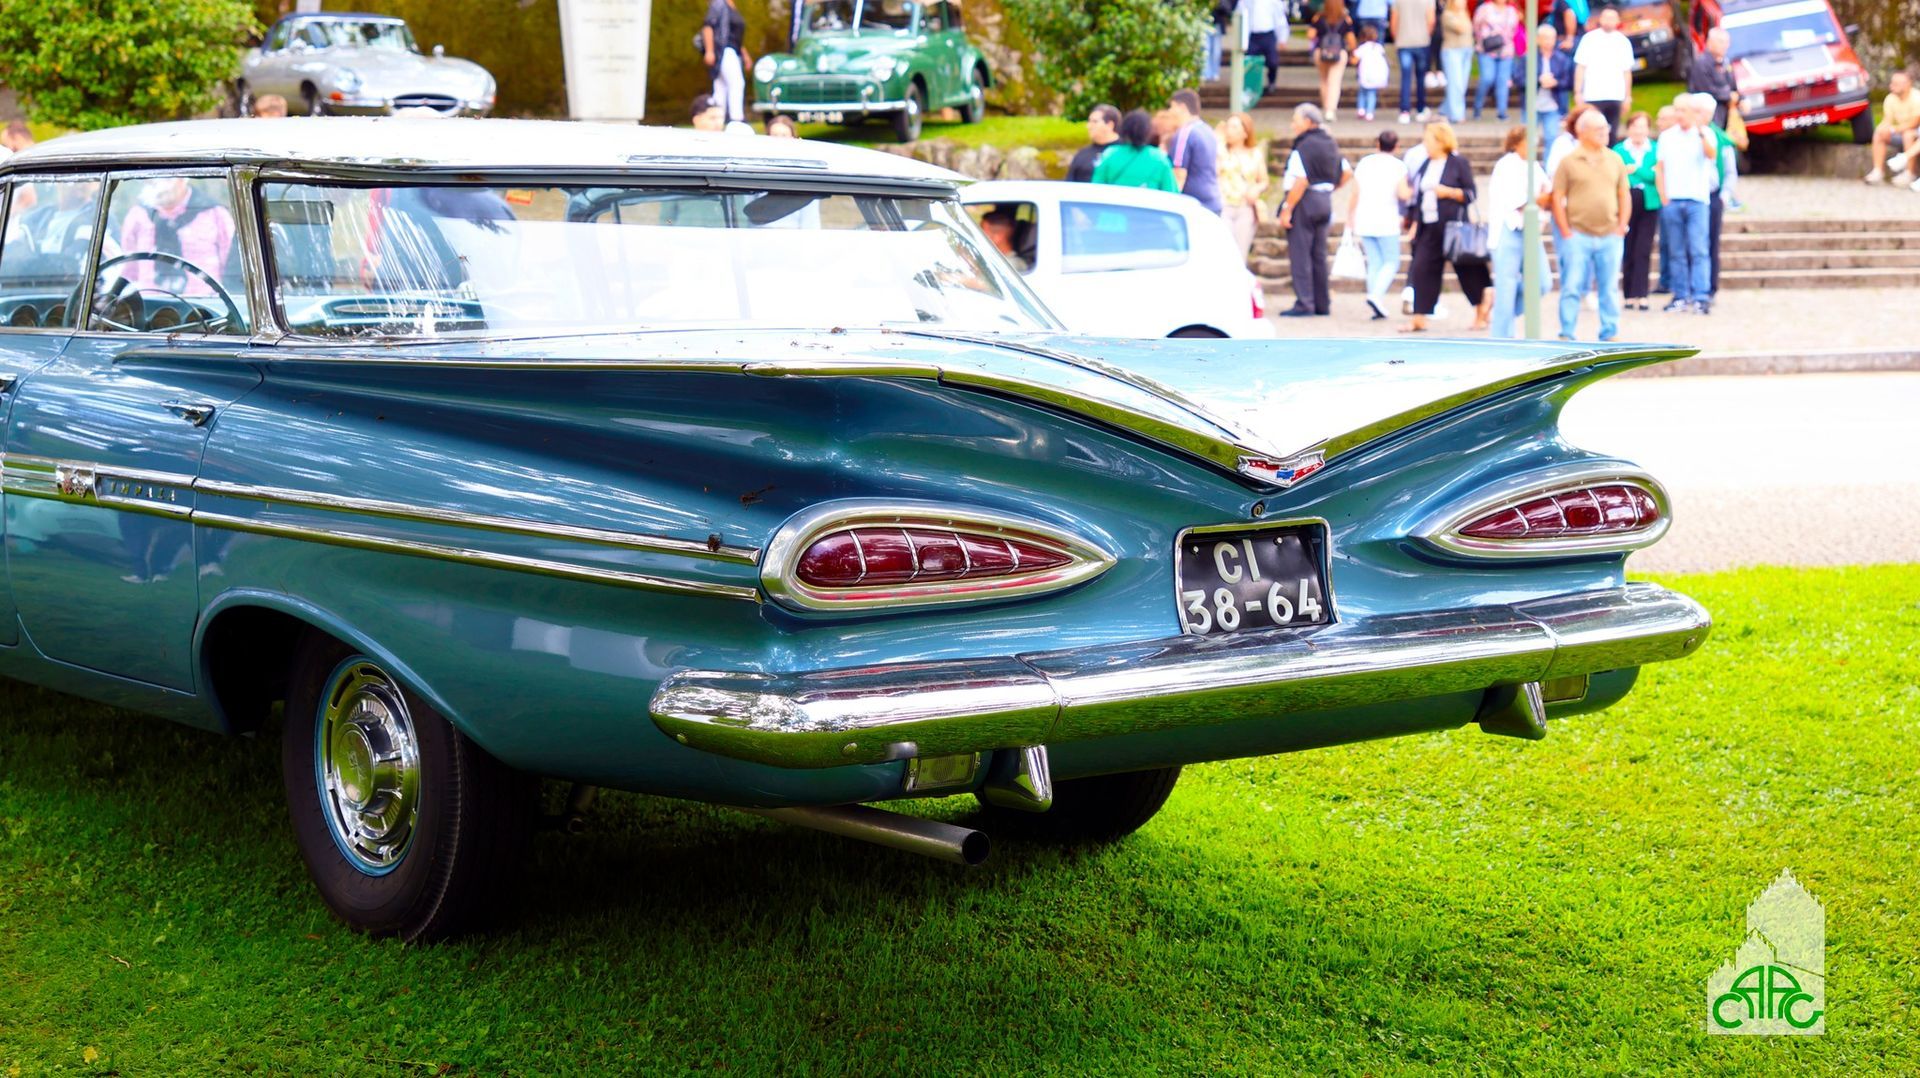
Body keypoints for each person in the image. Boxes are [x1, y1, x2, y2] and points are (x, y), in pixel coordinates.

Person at [1397, 121, 1487, 331]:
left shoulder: (1458, 163)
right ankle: (1419, 317)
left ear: (1440, 141)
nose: (1425, 144)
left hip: (1453, 226)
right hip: (1428, 226)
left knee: (1467, 270)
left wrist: (1449, 192)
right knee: (1421, 269)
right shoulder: (1426, 164)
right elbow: (1419, 196)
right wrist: (1414, 221)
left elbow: (1471, 193)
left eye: (1428, 140)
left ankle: (1481, 311)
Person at [1551, 108, 1630, 340]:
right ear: (1582, 132)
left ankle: (1610, 331)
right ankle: (1567, 333)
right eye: (1599, 129)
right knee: (1572, 286)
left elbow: (1624, 194)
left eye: (1606, 127)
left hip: (1610, 234)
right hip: (1578, 234)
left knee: (1609, 287)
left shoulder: (1615, 159)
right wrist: (1565, 230)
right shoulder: (1568, 162)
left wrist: (1621, 226)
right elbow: (1557, 197)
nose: (1605, 132)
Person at [1277, 104, 1351, 317]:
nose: (1293, 125)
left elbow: (1301, 180)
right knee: (1319, 255)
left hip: (1305, 201)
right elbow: (1347, 172)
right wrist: (1331, 187)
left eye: (1296, 120)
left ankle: (1304, 303)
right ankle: (1321, 303)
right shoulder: (1330, 143)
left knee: (1300, 254)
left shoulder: (1304, 145)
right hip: (1324, 201)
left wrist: (1287, 208)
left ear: (1308, 122)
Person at [117, 177, 238, 295]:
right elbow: (129, 270)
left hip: (205, 303)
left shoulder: (215, 213)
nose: (158, 184)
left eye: (167, 179)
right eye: (152, 180)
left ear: (182, 179)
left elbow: (232, 268)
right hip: (151, 303)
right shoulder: (138, 215)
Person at [1655, 92, 1716, 315]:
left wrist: (1700, 132)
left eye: (1683, 110)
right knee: (1676, 251)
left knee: (1699, 250)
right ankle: (1680, 294)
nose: (1679, 114)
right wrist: (1664, 197)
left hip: (1697, 199)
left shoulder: (1705, 133)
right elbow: (1660, 168)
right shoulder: (1667, 137)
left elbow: (1711, 154)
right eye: (1677, 110)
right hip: (1673, 199)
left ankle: (1701, 296)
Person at [1487, 124, 1550, 337]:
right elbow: (1519, 201)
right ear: (1516, 144)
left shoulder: (1535, 166)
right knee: (1506, 287)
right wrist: (1540, 198)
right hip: (1508, 230)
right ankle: (1501, 338)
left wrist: (1542, 199)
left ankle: (1502, 314)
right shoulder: (1506, 165)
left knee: (1543, 283)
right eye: (1528, 142)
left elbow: (1548, 194)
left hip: (1530, 231)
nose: (1533, 147)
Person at [1347, 129, 1408, 320]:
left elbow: (1355, 192)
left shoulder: (1365, 163)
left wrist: (1350, 216)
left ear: (1378, 143)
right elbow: (1403, 193)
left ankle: (1375, 297)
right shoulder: (1398, 166)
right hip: (1387, 218)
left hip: (1365, 217)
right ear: (1396, 146)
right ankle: (1376, 295)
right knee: (1391, 261)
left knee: (1374, 262)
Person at [1613, 111, 1660, 310]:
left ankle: (1642, 292)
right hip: (1627, 200)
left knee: (1643, 248)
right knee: (1628, 246)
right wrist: (1641, 174)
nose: (1639, 131)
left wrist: (1636, 171)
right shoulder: (1619, 150)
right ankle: (1629, 293)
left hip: (1649, 202)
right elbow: (1618, 175)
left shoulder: (1655, 149)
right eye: (1635, 126)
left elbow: (1655, 176)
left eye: (1643, 127)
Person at [1573, 7, 1633, 141]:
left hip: (1615, 95)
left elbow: (1626, 71)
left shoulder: (1623, 41)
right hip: (1593, 95)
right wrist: (1578, 92)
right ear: (1600, 19)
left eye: (1612, 18)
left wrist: (1627, 96)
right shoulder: (1589, 39)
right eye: (1606, 17)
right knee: (1591, 131)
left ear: (1618, 20)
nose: (1608, 21)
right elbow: (1580, 67)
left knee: (1611, 134)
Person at [1218, 112, 1270, 258]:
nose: (1230, 131)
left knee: (1241, 253)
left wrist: (1257, 189)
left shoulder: (1255, 154)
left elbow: (1264, 180)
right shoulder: (1221, 151)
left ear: (1245, 132)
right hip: (1224, 205)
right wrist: (1219, 142)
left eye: (1234, 127)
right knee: (1224, 252)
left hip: (1245, 206)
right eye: (1228, 126)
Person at [1091, 109, 1179, 191]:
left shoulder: (1109, 154)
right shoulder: (1159, 158)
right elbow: (1171, 193)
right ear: (1148, 131)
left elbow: (1096, 189)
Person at [1167, 90, 1224, 213]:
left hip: (1194, 206)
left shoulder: (1185, 133)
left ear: (1182, 107)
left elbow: (1178, 175)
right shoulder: (1208, 131)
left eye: (1172, 107)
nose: (1170, 112)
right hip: (1213, 201)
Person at [701, 0, 753, 125]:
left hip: (732, 51)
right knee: (736, 83)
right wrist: (709, 51)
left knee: (721, 86)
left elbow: (735, 37)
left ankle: (717, 119)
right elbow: (708, 26)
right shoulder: (719, 3)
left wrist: (745, 55)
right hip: (724, 51)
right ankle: (736, 118)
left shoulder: (731, 6)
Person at [1866, 72, 1920, 185]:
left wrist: (1894, 129)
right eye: (1892, 83)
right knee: (1879, 133)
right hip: (1901, 132)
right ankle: (1878, 171)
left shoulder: (1916, 98)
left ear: (1907, 84)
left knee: (1908, 134)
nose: (1891, 86)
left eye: (1896, 84)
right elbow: (1887, 120)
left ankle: (1909, 173)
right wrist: (1883, 128)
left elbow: (1914, 123)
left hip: (1914, 133)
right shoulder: (1890, 98)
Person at [1308, 0, 1357, 121]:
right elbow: (1351, 39)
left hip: (1321, 51)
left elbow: (1310, 35)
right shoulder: (1345, 19)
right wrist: (1353, 51)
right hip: (1339, 52)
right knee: (1334, 82)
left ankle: (1326, 108)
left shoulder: (1319, 18)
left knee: (1324, 81)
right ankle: (1330, 110)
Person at [1532, 25, 1574, 158]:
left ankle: (1547, 167)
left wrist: (1555, 83)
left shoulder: (1562, 59)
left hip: (1553, 105)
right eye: (1545, 38)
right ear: (1538, 39)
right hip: (1532, 105)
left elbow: (1568, 81)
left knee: (1551, 137)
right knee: (1529, 138)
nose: (1548, 41)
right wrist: (1539, 81)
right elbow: (1520, 78)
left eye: (1551, 38)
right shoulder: (1529, 58)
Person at [1473, 0, 1518, 121]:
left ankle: (1502, 112)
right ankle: (1477, 107)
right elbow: (1476, 27)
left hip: (1506, 51)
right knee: (1487, 78)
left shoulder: (1511, 11)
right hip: (1487, 50)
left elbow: (1514, 29)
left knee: (1503, 81)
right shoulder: (1484, 9)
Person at [1390, 0, 1434, 124]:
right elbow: (1431, 20)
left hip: (1403, 42)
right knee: (1420, 78)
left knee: (1406, 78)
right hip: (1422, 42)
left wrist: (1396, 38)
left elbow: (1394, 21)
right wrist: (1425, 35)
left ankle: (1404, 111)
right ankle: (1420, 109)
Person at [1688, 28, 1737, 129]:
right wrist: (1729, 95)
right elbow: (1707, 90)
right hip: (1709, 117)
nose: (1725, 45)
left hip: (1726, 115)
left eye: (1727, 42)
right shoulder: (1701, 63)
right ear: (1709, 42)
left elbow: (1733, 86)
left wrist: (1741, 98)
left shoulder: (1725, 62)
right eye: (1721, 42)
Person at [1437, 0, 1474, 124]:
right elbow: (1462, 28)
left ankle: (1445, 109)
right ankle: (1457, 115)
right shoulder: (1448, 15)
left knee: (1462, 84)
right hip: (1452, 51)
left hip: (1466, 51)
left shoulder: (1464, 13)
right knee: (1455, 84)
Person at [1244, 0, 1289, 95]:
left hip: (1268, 34)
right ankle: (1252, 86)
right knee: (1250, 61)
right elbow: (1243, 16)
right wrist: (1243, 40)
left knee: (1272, 61)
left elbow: (1280, 19)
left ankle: (1271, 82)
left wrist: (1282, 38)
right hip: (1253, 35)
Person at [1068, 104, 1122, 183]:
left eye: (1094, 122)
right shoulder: (1082, 154)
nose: (1088, 126)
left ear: (1110, 125)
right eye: (1089, 121)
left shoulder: (1125, 153)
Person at [1354, 27, 1389, 121]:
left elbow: (1355, 59)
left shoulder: (1362, 48)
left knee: (1362, 92)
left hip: (1365, 73)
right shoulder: (1379, 47)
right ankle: (1369, 112)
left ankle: (1361, 109)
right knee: (1372, 94)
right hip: (1375, 73)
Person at [1205, 0, 1233, 82]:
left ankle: (1215, 72)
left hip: (1217, 23)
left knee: (1216, 51)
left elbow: (1227, 8)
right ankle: (1206, 73)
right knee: (1206, 48)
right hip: (1205, 22)